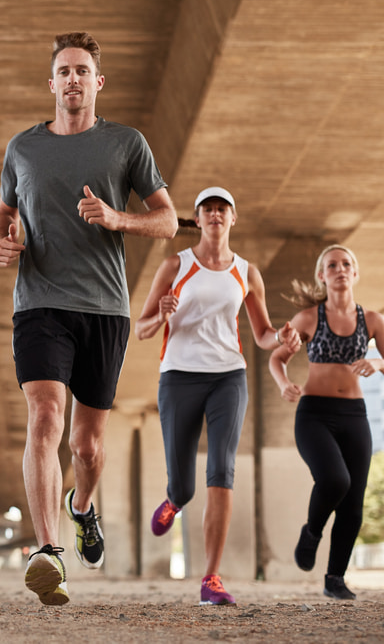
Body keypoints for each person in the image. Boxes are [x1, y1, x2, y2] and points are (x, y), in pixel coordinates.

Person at [0, 31, 177, 606]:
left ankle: (82, 508)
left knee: (87, 445)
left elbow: (168, 221)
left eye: (82, 71)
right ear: (51, 83)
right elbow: (4, 210)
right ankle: (49, 551)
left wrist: (117, 220)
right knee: (45, 417)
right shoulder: (22, 148)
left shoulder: (126, 144)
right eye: (63, 71)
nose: (72, 79)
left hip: (104, 308)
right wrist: (3, 242)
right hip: (38, 303)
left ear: (97, 83)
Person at [134, 187, 300, 605]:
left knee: (222, 472)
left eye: (221, 209)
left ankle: (211, 578)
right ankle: (174, 500)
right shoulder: (176, 264)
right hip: (178, 376)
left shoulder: (247, 271)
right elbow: (141, 329)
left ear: (232, 218)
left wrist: (282, 335)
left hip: (228, 377)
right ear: (198, 218)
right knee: (186, 485)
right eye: (207, 209)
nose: (214, 215)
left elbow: (262, 335)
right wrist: (162, 312)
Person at [269, 245, 383, 600]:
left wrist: (377, 363)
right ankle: (312, 531)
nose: (340, 269)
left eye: (346, 263)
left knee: (353, 501)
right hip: (314, 415)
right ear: (322, 275)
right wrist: (284, 383)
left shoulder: (374, 320)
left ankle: (335, 578)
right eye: (332, 265)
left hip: (354, 416)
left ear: (355, 272)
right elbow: (277, 358)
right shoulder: (308, 318)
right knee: (335, 480)